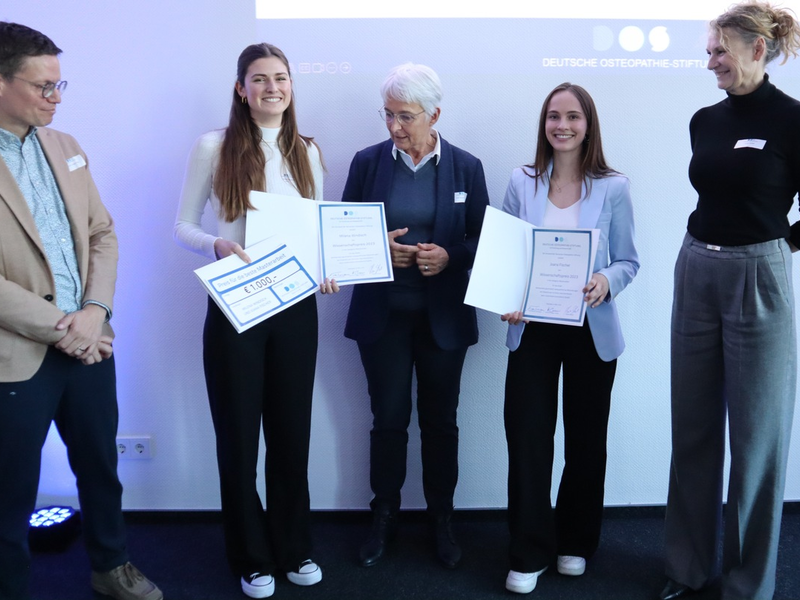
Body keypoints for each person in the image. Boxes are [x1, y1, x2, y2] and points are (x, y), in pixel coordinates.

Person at [0, 22, 162, 600]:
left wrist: (94, 311)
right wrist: (63, 328)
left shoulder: (65, 147)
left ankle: (111, 567)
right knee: (10, 491)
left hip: (91, 342)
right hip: (17, 353)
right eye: (43, 86)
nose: (56, 98)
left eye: (59, 84)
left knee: (100, 467)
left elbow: (101, 233)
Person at [174, 43, 337, 599]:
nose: (273, 88)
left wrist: (327, 268)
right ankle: (250, 556)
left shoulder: (306, 151)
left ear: (292, 86)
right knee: (239, 437)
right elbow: (183, 225)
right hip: (236, 305)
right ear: (241, 89)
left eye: (281, 78)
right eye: (260, 79)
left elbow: (317, 230)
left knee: (292, 433)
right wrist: (217, 245)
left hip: (295, 306)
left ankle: (294, 547)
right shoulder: (214, 146)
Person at [661, 3, 800, 600]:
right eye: (709, 51)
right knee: (692, 428)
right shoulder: (704, 120)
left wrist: (777, 247)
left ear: (757, 50)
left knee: (756, 439)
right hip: (695, 267)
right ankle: (686, 568)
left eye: (720, 51)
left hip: (758, 276)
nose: (710, 61)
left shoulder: (793, 120)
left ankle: (746, 584)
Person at [342, 62, 489, 569]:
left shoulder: (466, 167)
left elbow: (482, 240)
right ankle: (384, 515)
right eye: (388, 114)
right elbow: (342, 236)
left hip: (442, 318)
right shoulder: (367, 163)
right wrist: (377, 248)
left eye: (406, 116)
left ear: (434, 115)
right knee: (388, 419)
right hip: (383, 317)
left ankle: (441, 518)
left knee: (440, 422)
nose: (395, 126)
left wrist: (449, 256)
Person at [500, 82, 639, 595]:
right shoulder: (522, 182)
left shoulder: (614, 186)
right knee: (528, 441)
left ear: (588, 125)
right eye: (554, 116)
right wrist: (506, 294)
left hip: (590, 329)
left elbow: (629, 261)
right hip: (532, 328)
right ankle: (528, 550)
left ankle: (575, 542)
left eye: (573, 116)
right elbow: (506, 255)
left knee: (586, 441)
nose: (562, 125)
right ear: (544, 124)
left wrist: (606, 280)